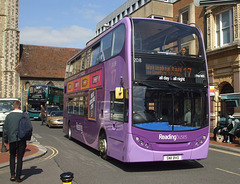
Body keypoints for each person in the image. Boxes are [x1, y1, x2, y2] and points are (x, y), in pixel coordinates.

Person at [4, 100, 32, 182]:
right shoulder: (25, 115)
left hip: (12, 139)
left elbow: (5, 130)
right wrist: (28, 137)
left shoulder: (8, 116)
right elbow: (30, 127)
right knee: (20, 158)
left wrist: (6, 139)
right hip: (22, 139)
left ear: (13, 106)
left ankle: (12, 175)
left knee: (12, 156)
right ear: (20, 106)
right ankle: (18, 177)